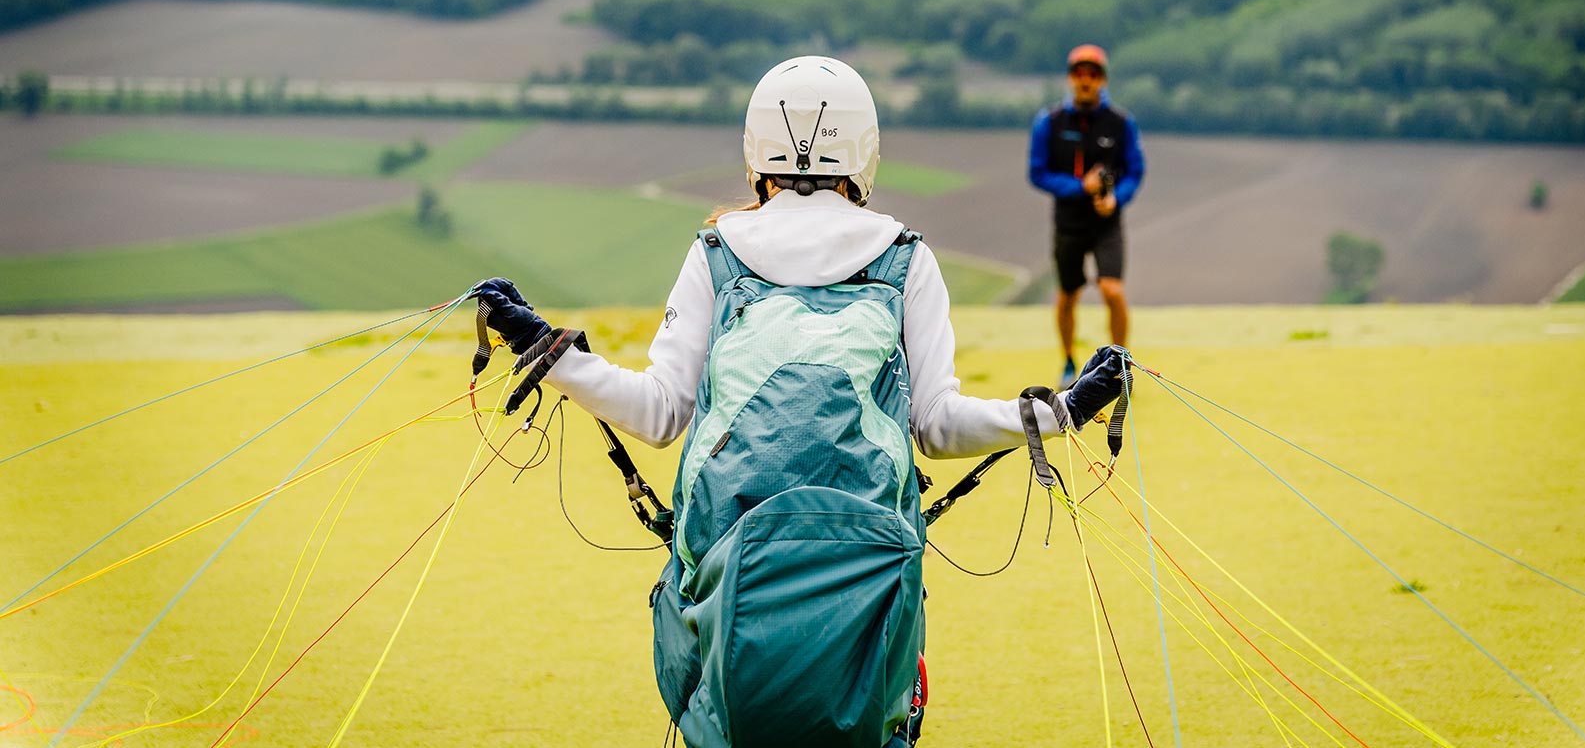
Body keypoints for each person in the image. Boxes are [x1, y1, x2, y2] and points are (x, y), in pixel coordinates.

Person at [473, 56, 1127, 748]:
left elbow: (658, 413)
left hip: (721, 571)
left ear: (757, 151)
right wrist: (1059, 412)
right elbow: (938, 426)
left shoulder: (715, 252)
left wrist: (546, 348)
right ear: (864, 151)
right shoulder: (906, 257)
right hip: (872, 568)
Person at [1028, 43, 1145, 388]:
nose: (1086, 80)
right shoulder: (1049, 122)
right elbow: (1037, 173)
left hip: (1107, 222)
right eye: (1079, 74)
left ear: (1102, 80)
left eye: (1093, 74)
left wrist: (1116, 198)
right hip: (1068, 224)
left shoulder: (1121, 123)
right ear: (1070, 78)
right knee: (1068, 294)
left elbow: (1135, 171)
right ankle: (1068, 361)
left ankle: (1120, 364)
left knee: (1112, 290)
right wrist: (1081, 186)